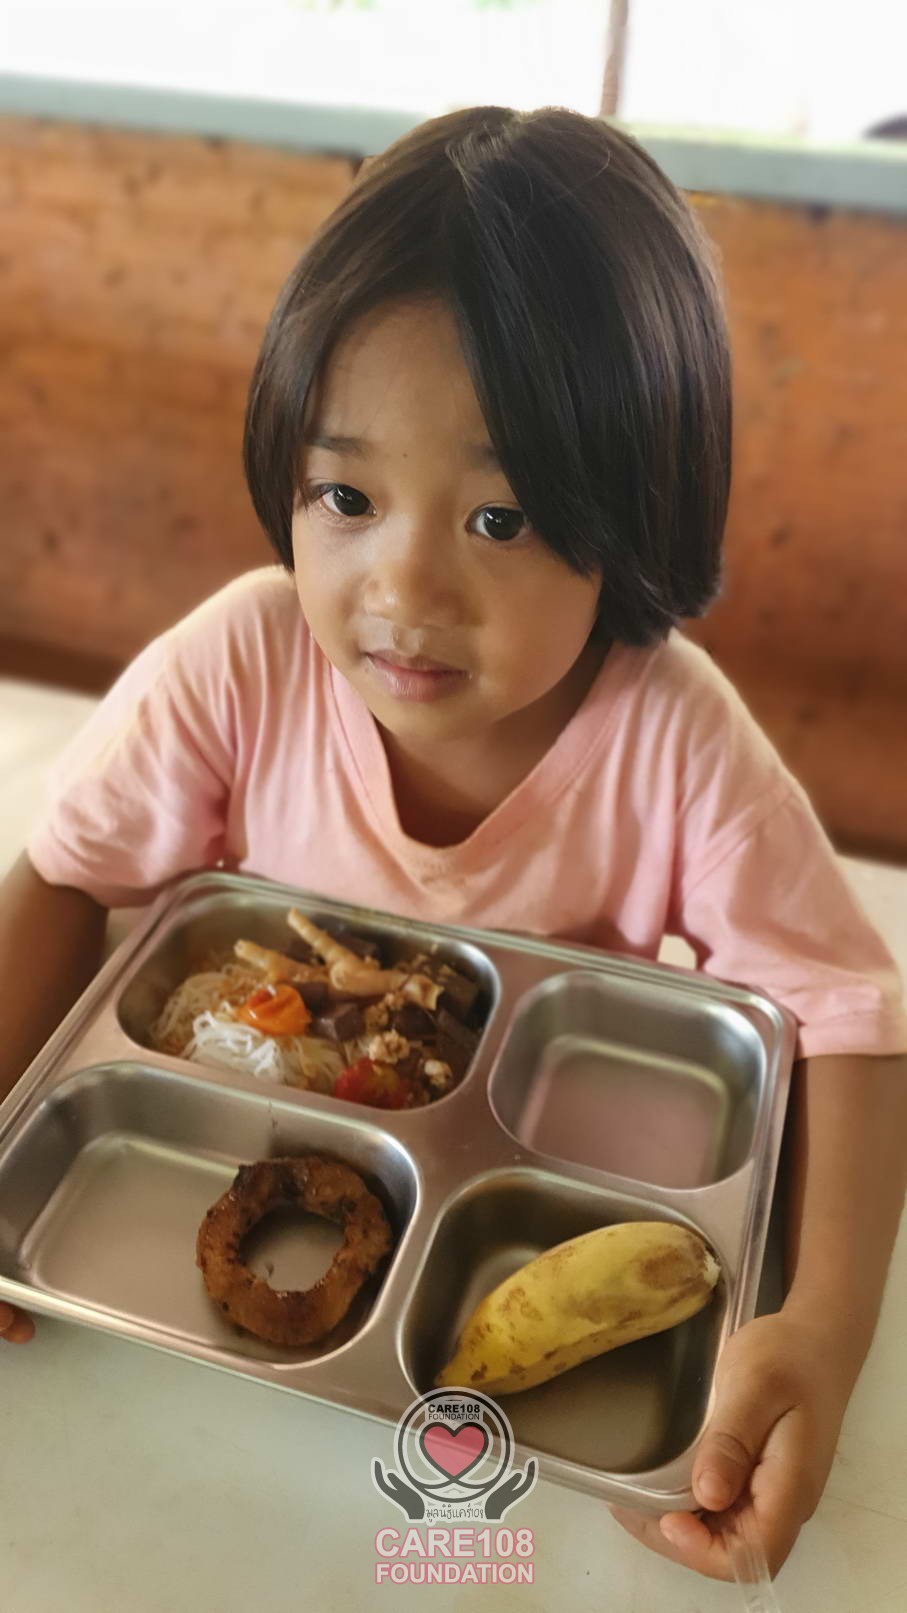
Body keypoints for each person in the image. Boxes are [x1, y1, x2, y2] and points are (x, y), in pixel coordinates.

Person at [0, 105, 905, 1586]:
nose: (403, 587)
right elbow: (63, 874)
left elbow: (852, 1021)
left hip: (514, 1395)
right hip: (170, 1332)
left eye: (501, 516)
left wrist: (821, 1329)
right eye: (348, 496)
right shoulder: (241, 664)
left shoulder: (670, 736)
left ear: (630, 516)